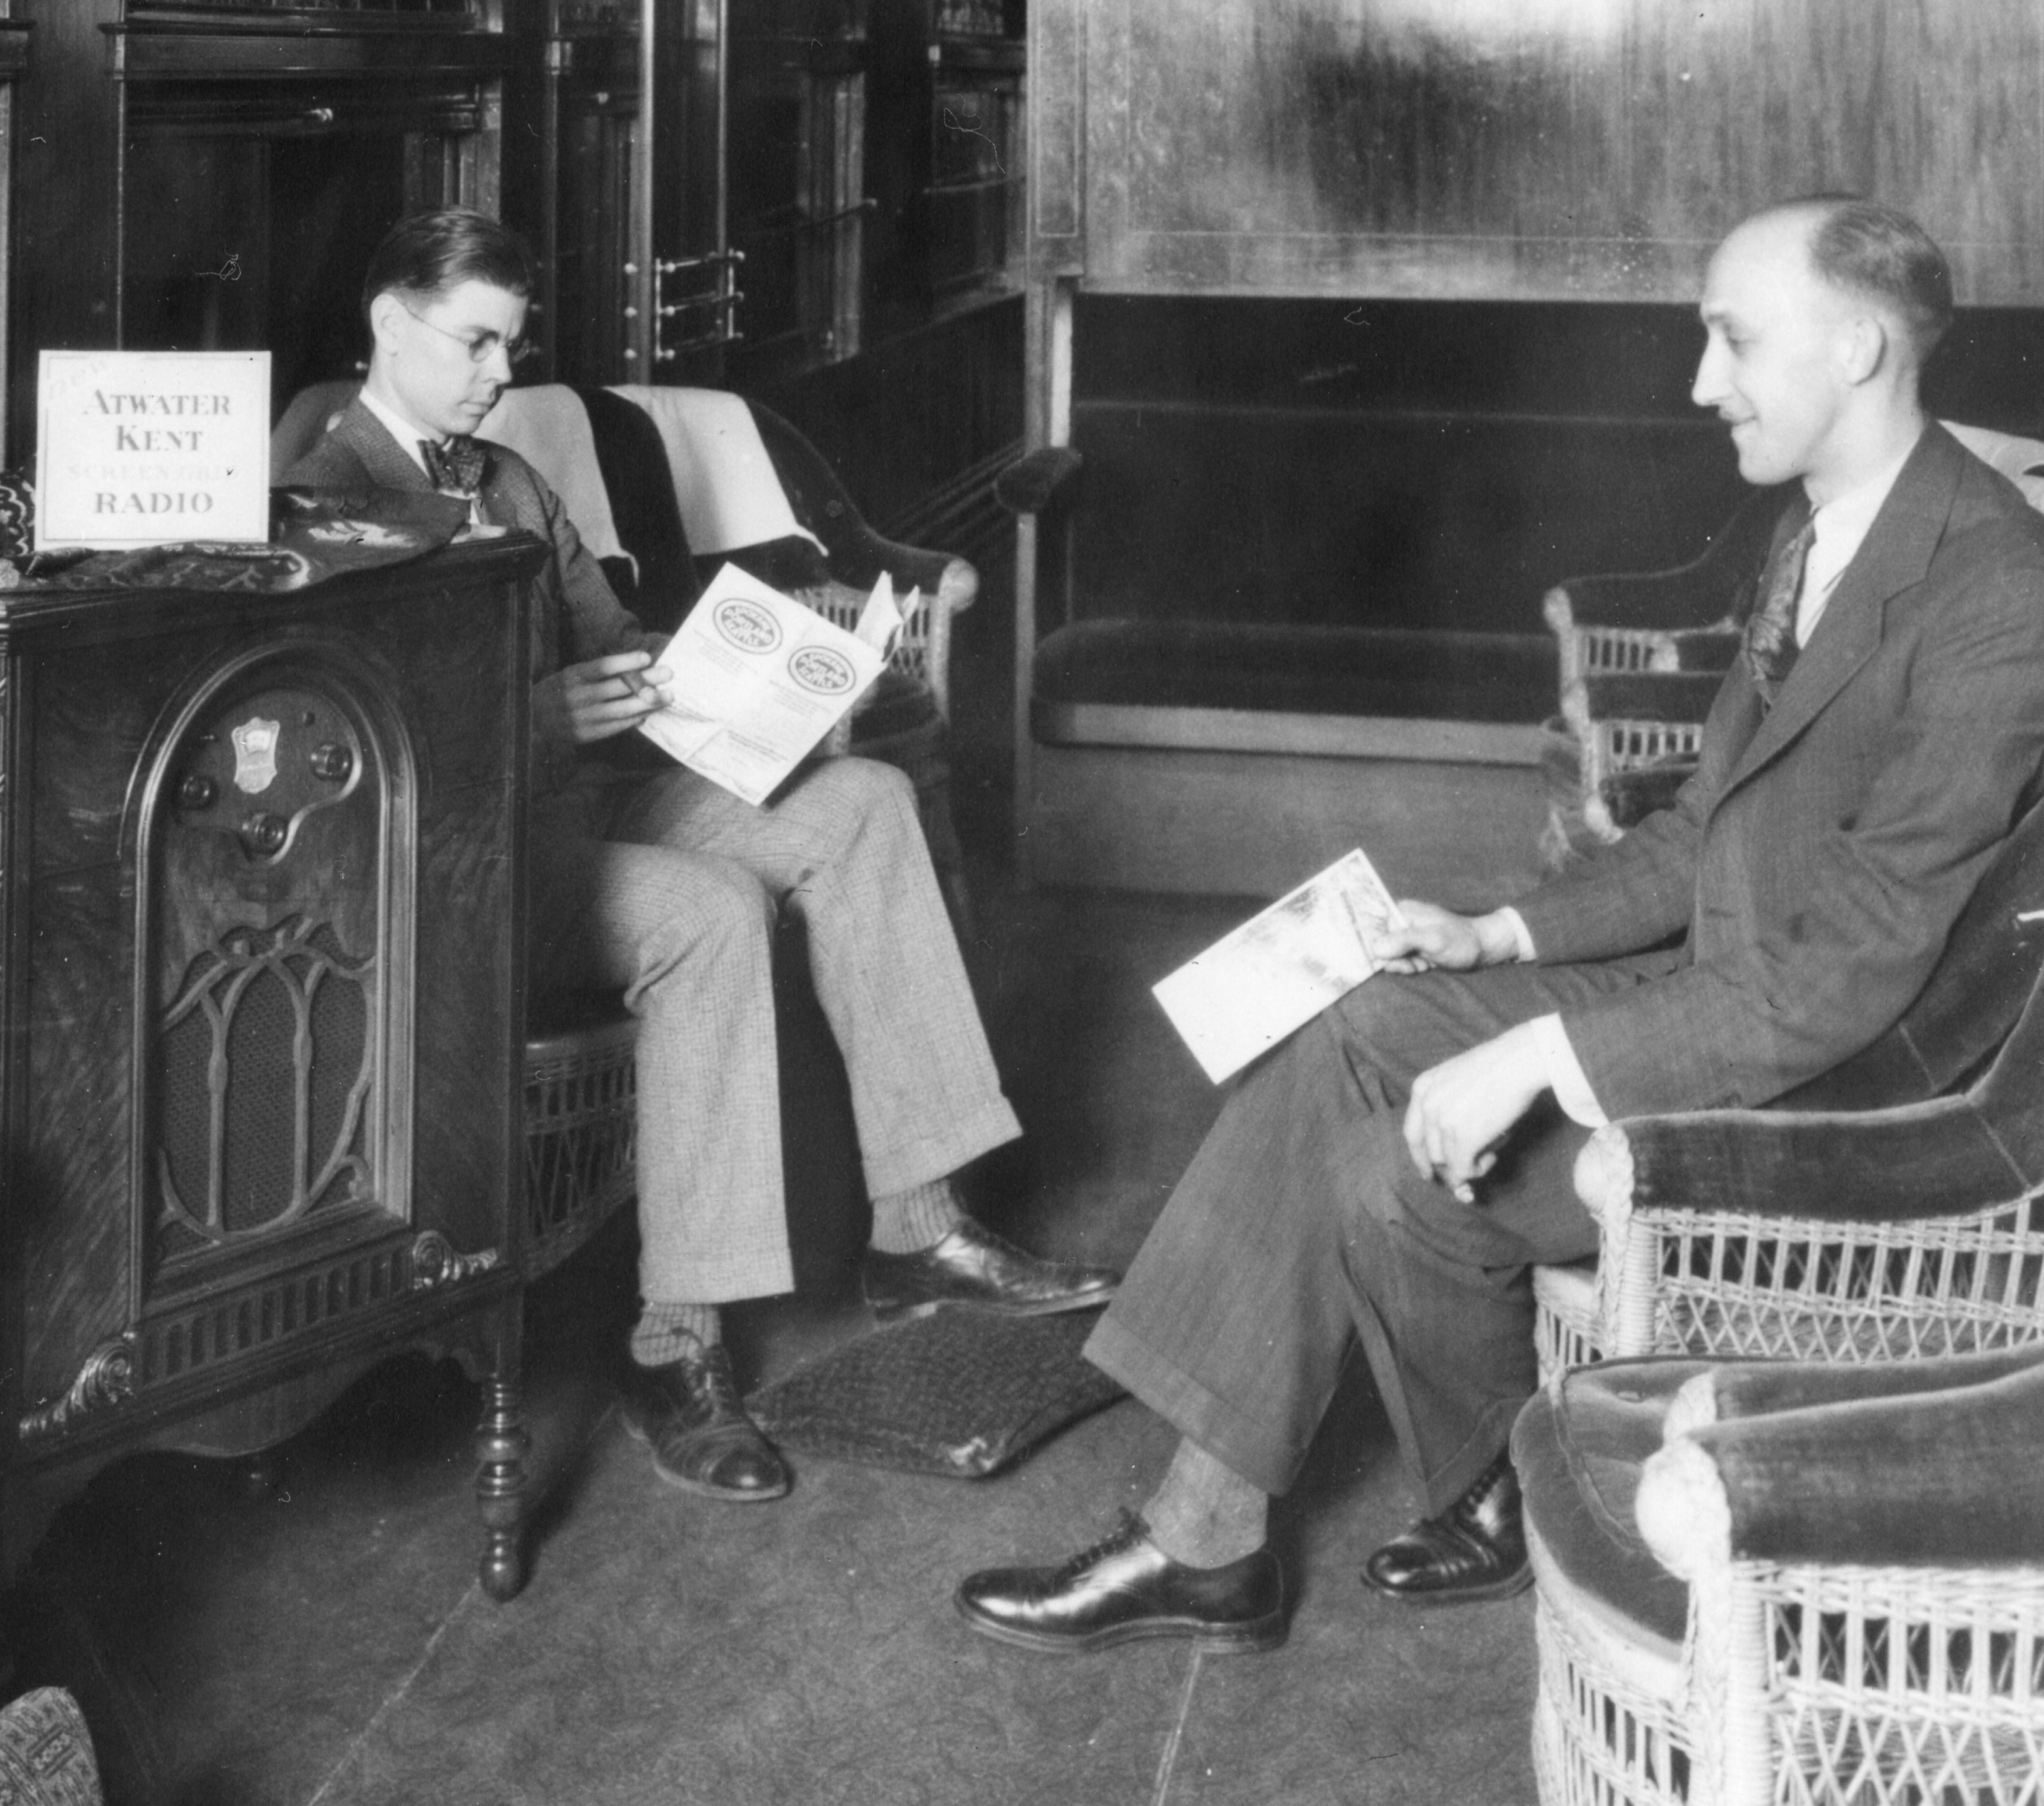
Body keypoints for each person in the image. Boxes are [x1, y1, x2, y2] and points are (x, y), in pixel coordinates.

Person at [955, 195, 2044, 1654]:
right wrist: (1493, 936)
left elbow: (1851, 970)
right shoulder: (1822, 526)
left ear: (1855, 345)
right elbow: (1694, 836)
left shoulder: (1995, 583)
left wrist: (1541, 1052)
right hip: (1733, 990)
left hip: (1840, 1084)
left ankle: (1325, 1512)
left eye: (1731, 339)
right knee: (1356, 1011)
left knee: (1377, 1165)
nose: (1699, 383)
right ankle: (1240, 1523)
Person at [288, 209, 1118, 1505]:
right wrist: (540, 711)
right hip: (464, 864)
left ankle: (919, 1226)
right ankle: (672, 1348)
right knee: (713, 908)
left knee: (865, 798)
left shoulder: (503, 478)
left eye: (512, 343)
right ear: (390, 320)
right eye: (477, 342)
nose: (503, 373)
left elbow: (612, 635)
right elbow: (352, 742)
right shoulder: (322, 495)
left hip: (598, 797)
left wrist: (729, 687)